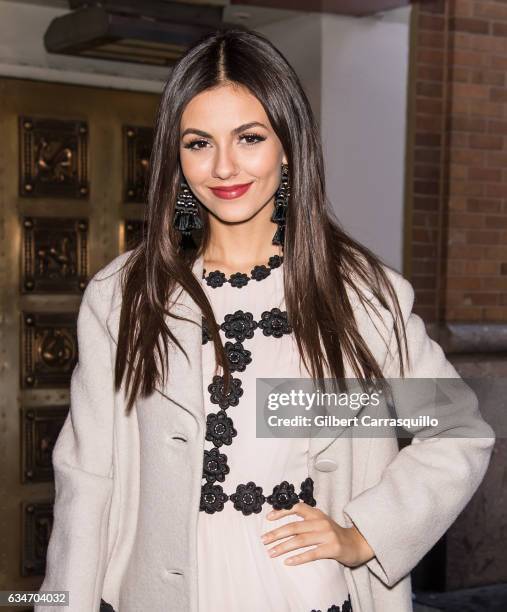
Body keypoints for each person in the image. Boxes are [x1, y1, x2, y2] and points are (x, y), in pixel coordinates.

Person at [36, 26, 495, 612]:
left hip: (305, 592)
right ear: (175, 158)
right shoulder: (124, 296)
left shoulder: (358, 296)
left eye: (248, 137)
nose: (224, 166)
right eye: (198, 143)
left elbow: (457, 431)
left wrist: (365, 536)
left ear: (287, 144)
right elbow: (86, 482)